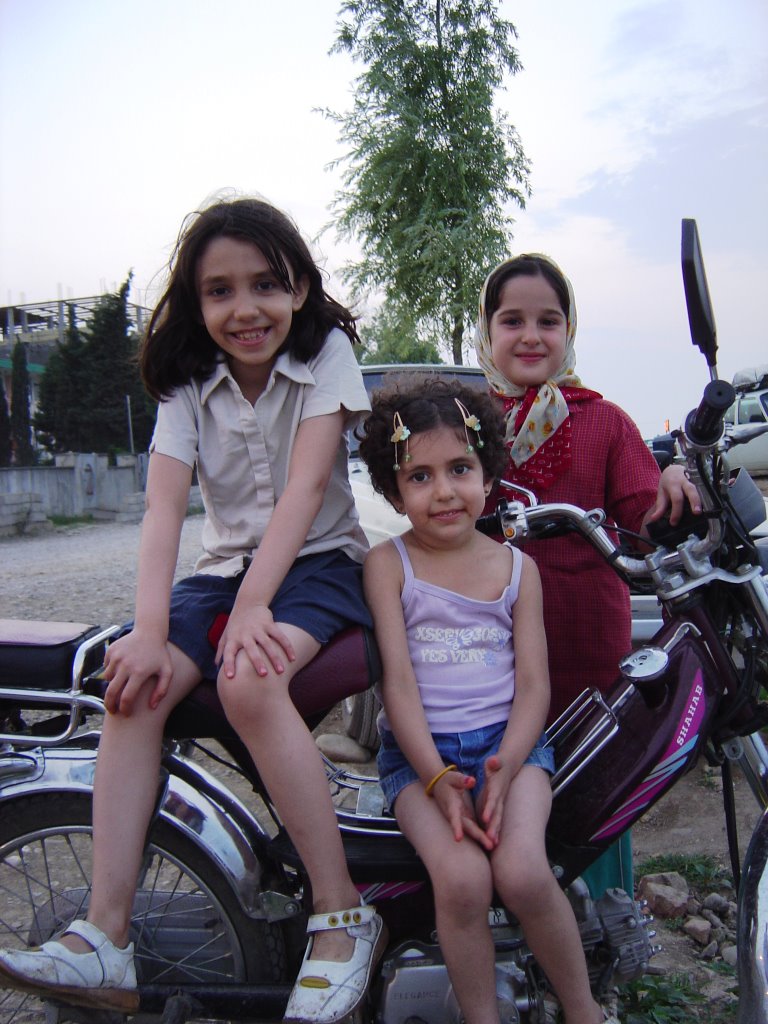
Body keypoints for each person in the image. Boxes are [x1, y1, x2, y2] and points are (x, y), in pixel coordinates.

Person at [0, 196, 386, 1024]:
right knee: (130, 689)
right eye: (219, 291)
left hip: (317, 566)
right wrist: (146, 633)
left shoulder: (328, 355)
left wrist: (254, 606)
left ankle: (342, 912)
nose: (244, 309)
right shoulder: (186, 381)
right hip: (219, 578)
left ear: (300, 288)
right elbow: (163, 514)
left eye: (265, 286)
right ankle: (107, 936)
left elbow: (309, 489)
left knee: (250, 683)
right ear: (196, 301)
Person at [357, 376, 608, 1024]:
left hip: (512, 750)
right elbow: (399, 686)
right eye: (420, 476)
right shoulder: (389, 565)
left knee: (523, 872)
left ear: (488, 475)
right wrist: (439, 778)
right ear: (392, 491)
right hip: (418, 761)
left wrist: (508, 768)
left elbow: (534, 689)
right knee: (464, 881)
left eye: (460, 469)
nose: (444, 491)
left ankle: (583, 1011)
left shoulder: (518, 568)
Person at [474, 252, 700, 898]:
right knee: (506, 777)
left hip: (588, 649)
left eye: (548, 320)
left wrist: (675, 481)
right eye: (512, 320)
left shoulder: (605, 421)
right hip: (494, 655)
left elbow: (642, 513)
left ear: (569, 331)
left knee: (596, 778)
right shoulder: (467, 424)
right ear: (487, 334)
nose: (531, 336)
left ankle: (603, 925)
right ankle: (514, 925)